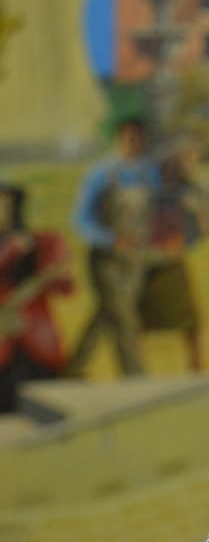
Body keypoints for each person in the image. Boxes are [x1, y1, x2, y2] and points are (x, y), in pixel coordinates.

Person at [67, 116, 157, 377]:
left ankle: (73, 369)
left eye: (137, 139)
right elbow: (80, 219)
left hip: (135, 260)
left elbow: (154, 213)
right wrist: (109, 239)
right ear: (118, 140)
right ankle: (136, 376)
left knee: (108, 313)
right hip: (106, 260)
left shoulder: (148, 173)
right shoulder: (101, 173)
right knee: (125, 317)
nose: (132, 144)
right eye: (128, 139)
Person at [139, 141, 209, 370]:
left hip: (171, 259)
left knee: (191, 322)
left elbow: (206, 232)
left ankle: (198, 370)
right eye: (188, 159)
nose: (192, 165)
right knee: (133, 323)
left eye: (194, 160)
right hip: (143, 261)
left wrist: (198, 212)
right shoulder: (149, 183)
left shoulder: (189, 190)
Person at [0, 183, 74, 411]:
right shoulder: (14, 246)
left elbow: (66, 287)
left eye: (6, 205)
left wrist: (55, 267)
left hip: (34, 333)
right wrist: (11, 250)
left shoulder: (40, 241)